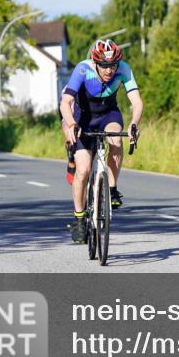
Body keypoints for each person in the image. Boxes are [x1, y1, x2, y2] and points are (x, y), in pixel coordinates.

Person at [59, 39, 143, 244]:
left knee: (116, 138)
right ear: (96, 63)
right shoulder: (82, 69)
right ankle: (79, 219)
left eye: (113, 65)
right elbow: (66, 102)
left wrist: (134, 123)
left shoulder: (123, 69)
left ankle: (112, 189)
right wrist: (71, 124)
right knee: (84, 170)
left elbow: (137, 101)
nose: (109, 70)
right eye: (105, 66)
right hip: (83, 117)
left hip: (108, 114)